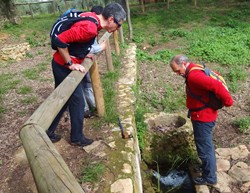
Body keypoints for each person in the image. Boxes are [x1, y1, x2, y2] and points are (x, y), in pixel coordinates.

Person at [46, 2, 126, 147]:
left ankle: (49, 131)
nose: (117, 29)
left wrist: (84, 53)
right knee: (77, 102)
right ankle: (77, 138)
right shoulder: (90, 28)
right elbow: (60, 41)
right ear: (110, 19)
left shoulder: (92, 18)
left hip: (60, 64)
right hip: (63, 66)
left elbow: (77, 41)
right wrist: (71, 63)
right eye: (118, 25)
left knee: (63, 101)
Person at [169, 54, 234, 185]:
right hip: (203, 114)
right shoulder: (195, 68)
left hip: (203, 117)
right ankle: (206, 169)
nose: (177, 73)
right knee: (205, 146)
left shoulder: (194, 76)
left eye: (177, 70)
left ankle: (209, 178)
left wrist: (228, 102)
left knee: (204, 148)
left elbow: (216, 86)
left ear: (184, 64)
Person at [82, 5, 105, 118]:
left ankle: (93, 105)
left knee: (86, 82)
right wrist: (100, 48)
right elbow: (86, 46)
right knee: (80, 83)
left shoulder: (93, 25)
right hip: (75, 60)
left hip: (84, 58)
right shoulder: (88, 25)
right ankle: (85, 109)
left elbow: (91, 45)